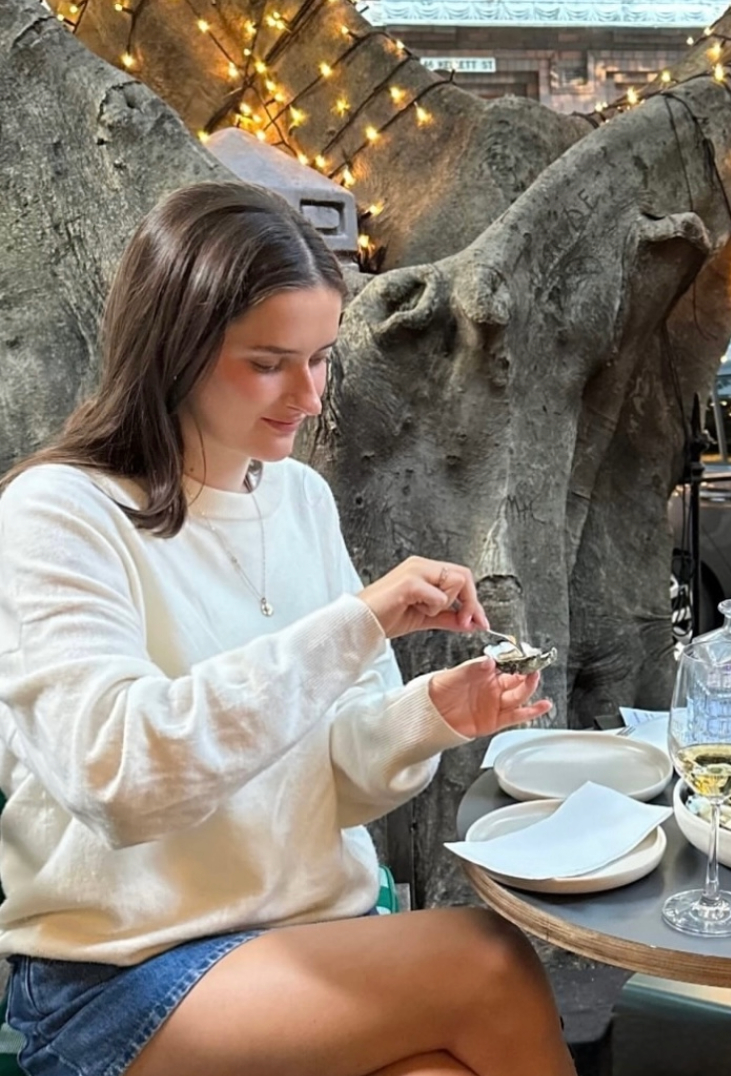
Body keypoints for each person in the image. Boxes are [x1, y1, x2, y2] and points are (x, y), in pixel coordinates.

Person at [0, 181, 576, 1076]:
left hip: (306, 944)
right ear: (174, 349)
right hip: (121, 973)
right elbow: (117, 779)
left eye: (319, 359)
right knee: (489, 961)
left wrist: (431, 714)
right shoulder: (60, 513)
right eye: (269, 362)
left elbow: (330, 781)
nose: (307, 397)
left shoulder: (299, 500)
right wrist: (357, 624)